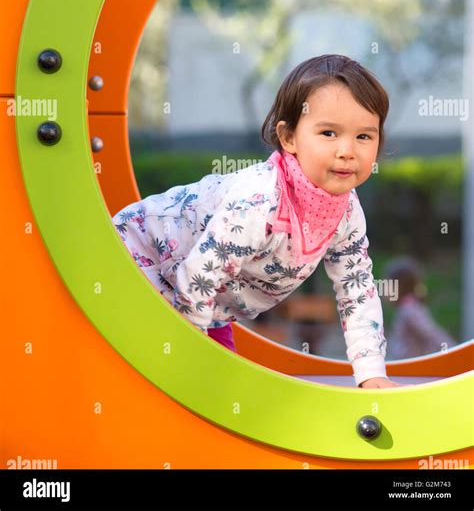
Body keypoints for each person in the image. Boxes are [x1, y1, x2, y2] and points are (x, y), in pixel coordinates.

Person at [112, 54, 402, 389]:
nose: (347, 150)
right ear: (289, 137)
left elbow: (356, 287)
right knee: (189, 385)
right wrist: (187, 351)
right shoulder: (260, 200)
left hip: (205, 298)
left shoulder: (346, 211)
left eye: (363, 137)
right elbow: (201, 273)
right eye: (328, 133)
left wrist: (371, 374)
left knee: (225, 392)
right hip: (138, 260)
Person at [383, 256, 457, 359]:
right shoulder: (406, 308)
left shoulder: (410, 310)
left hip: (411, 371)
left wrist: (456, 353)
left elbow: (433, 334)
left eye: (386, 285)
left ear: (398, 286)